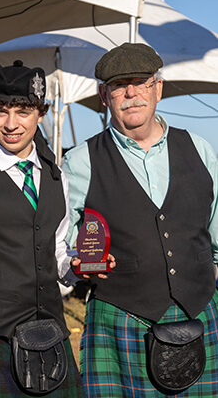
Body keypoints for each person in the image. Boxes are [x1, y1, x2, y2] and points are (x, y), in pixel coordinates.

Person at [62, 43, 218, 397]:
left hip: (201, 314)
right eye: (119, 85)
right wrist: (78, 261)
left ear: (158, 88)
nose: (131, 93)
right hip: (119, 319)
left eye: (141, 82)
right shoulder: (79, 161)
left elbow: (217, 237)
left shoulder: (200, 149)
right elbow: (63, 239)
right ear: (104, 95)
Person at [0, 60, 115, 398]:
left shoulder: (57, 177)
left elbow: (53, 252)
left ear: (41, 113)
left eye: (23, 111)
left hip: (51, 340)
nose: (11, 124)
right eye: (0, 111)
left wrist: (77, 267)